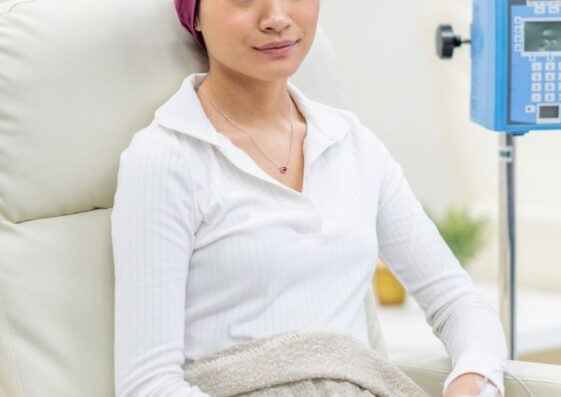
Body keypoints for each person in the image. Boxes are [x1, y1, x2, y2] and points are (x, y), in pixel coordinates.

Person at [111, 0, 508, 396]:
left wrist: (474, 378)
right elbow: (148, 384)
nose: (277, 18)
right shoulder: (166, 158)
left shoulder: (353, 145)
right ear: (193, 13)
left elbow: (457, 302)